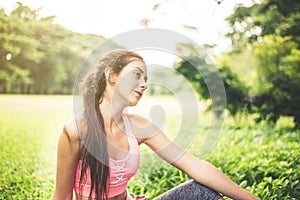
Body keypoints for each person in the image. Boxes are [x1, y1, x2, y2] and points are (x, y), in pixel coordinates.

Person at [52, 49, 259, 200]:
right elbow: (61, 197)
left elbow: (197, 167)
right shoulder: (77, 131)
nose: (144, 84)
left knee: (202, 191)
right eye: (136, 74)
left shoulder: (139, 126)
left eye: (146, 78)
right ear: (112, 74)